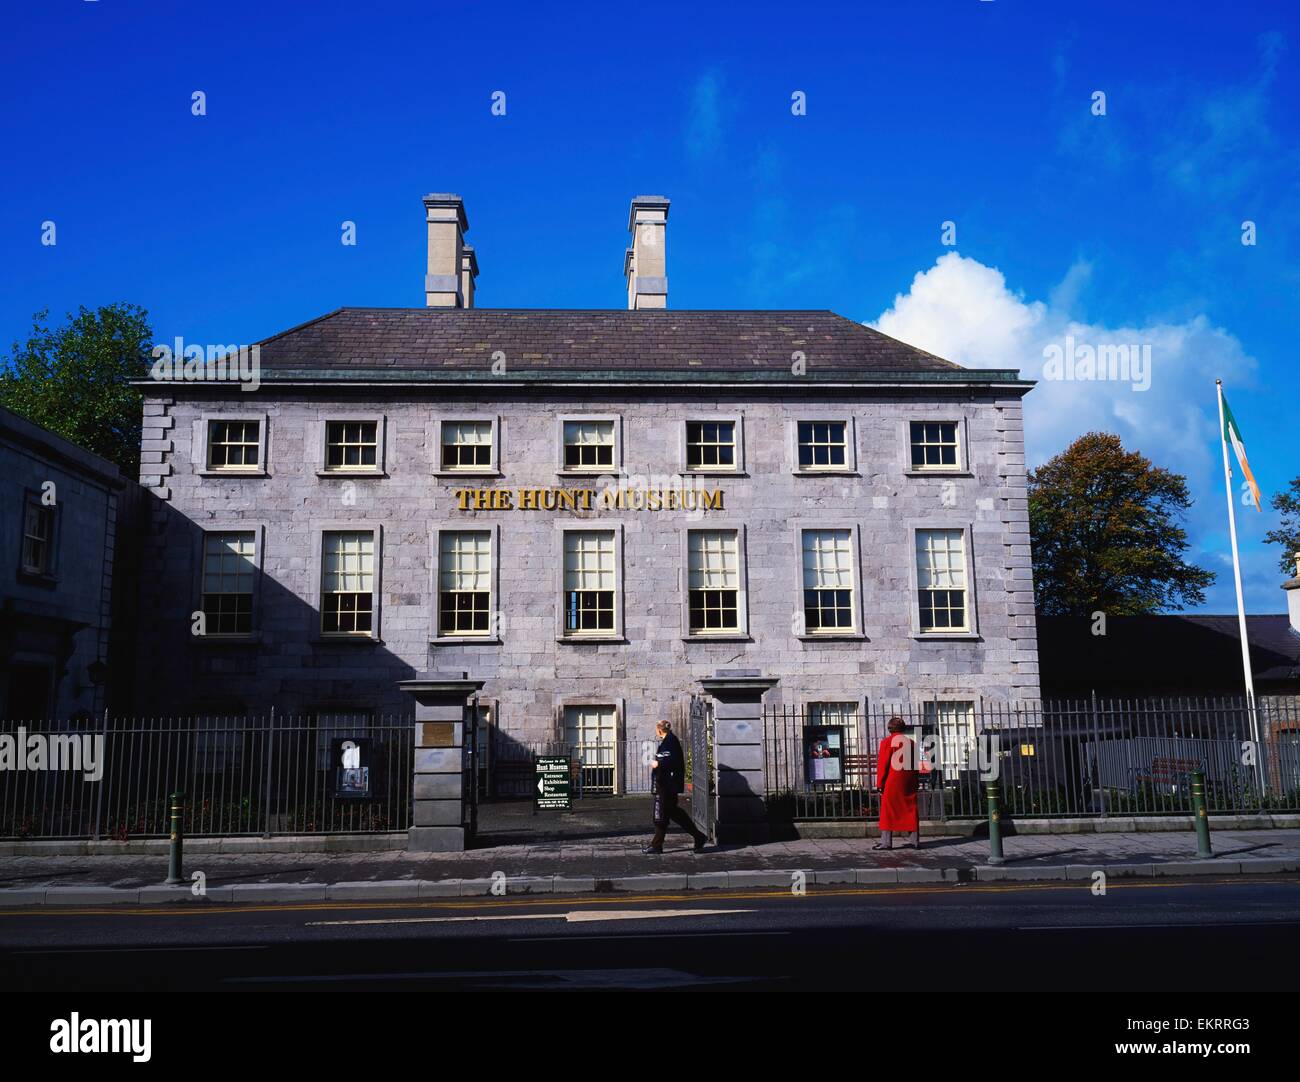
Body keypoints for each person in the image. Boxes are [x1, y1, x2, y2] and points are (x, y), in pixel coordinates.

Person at [643, 719, 708, 854]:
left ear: (659, 730)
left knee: (662, 814)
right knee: (671, 814)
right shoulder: (670, 741)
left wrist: (657, 764)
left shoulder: (670, 742)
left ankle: (657, 845)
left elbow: (669, 761)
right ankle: (698, 836)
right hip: (667, 784)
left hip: (666, 785)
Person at [874, 716, 921, 850]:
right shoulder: (911, 743)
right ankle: (914, 840)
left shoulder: (887, 742)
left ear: (890, 728)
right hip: (909, 779)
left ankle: (886, 842)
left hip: (893, 779)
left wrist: (880, 783)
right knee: (910, 808)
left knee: (888, 810)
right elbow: (915, 764)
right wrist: (916, 781)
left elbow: (883, 764)